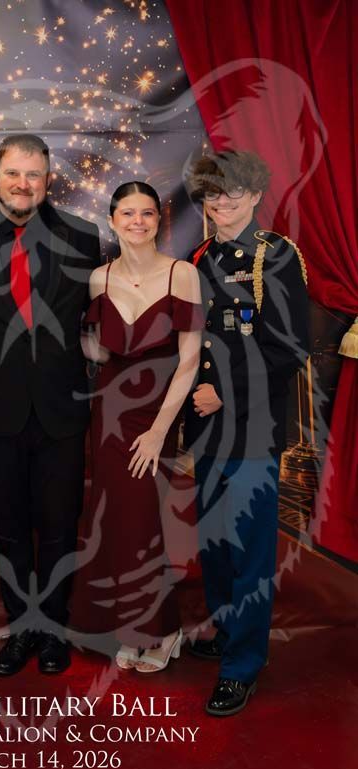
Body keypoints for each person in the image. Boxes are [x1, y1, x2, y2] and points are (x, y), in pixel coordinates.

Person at [0, 134, 101, 675]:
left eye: (33, 174)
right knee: (9, 527)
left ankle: (52, 633)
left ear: (48, 176)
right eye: (14, 172)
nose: (23, 184)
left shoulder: (82, 235)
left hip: (62, 407)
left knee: (59, 526)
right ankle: (20, 632)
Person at [184, 151, 310, 716]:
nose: (222, 202)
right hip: (206, 426)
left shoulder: (275, 257)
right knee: (214, 543)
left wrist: (223, 394)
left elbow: (287, 347)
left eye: (233, 192)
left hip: (251, 426)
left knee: (250, 548)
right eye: (212, 194)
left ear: (256, 196)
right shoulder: (199, 256)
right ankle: (227, 632)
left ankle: (243, 665)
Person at [80, 181, 203, 672]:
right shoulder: (98, 279)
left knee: (144, 521)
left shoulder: (183, 274)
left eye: (147, 213)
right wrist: (89, 348)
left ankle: (164, 630)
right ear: (112, 221)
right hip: (107, 411)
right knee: (114, 520)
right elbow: (100, 349)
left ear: (159, 220)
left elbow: (190, 360)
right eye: (127, 213)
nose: (137, 221)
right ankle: (130, 629)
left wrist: (158, 430)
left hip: (156, 413)